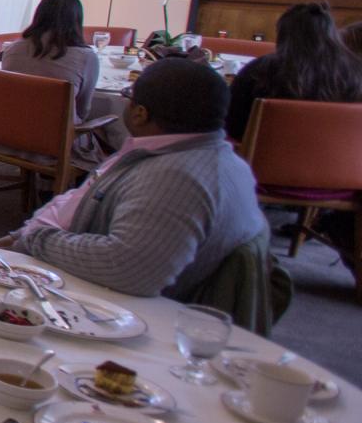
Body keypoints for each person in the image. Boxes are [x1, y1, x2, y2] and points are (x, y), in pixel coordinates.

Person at [16, 61, 265, 299]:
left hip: (114, 304)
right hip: (68, 262)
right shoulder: (208, 156)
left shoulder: (177, 178)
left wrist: (37, 239)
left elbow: (127, 267)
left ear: (140, 114)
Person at [226, 0, 362, 142]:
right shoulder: (354, 73)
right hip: (337, 159)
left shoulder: (261, 69)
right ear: (331, 34)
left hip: (262, 156)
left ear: (283, 35)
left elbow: (232, 123)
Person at [0, 0, 102, 123]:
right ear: (77, 21)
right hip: (59, 140)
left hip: (8, 133)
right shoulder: (86, 58)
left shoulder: (12, 50)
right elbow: (83, 110)